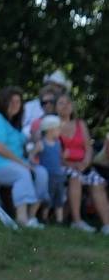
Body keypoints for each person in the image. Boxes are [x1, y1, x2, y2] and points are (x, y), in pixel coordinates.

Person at [0, 85, 49, 228]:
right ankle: (22, 218)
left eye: (18, 102)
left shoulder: (9, 124)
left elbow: (23, 140)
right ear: (3, 102)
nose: (15, 105)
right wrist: (23, 163)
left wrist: (36, 138)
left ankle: (32, 217)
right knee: (22, 173)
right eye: (12, 101)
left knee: (42, 173)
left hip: (8, 163)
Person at [56, 93, 109, 234]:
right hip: (62, 166)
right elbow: (52, 151)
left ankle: (106, 225)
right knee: (75, 177)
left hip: (82, 165)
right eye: (61, 103)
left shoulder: (80, 124)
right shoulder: (52, 125)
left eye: (68, 102)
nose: (66, 105)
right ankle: (77, 221)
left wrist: (85, 163)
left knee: (97, 181)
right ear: (55, 107)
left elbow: (88, 147)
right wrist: (69, 163)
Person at [36, 115, 65, 224]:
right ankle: (44, 217)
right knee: (48, 198)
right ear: (50, 130)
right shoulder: (41, 144)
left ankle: (59, 220)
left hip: (58, 174)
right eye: (58, 129)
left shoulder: (58, 143)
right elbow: (32, 155)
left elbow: (59, 157)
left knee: (59, 198)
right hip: (48, 175)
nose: (59, 131)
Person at [23, 69, 70, 137]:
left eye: (59, 86)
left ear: (62, 91)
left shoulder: (64, 110)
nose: (55, 89)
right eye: (52, 84)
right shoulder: (29, 106)